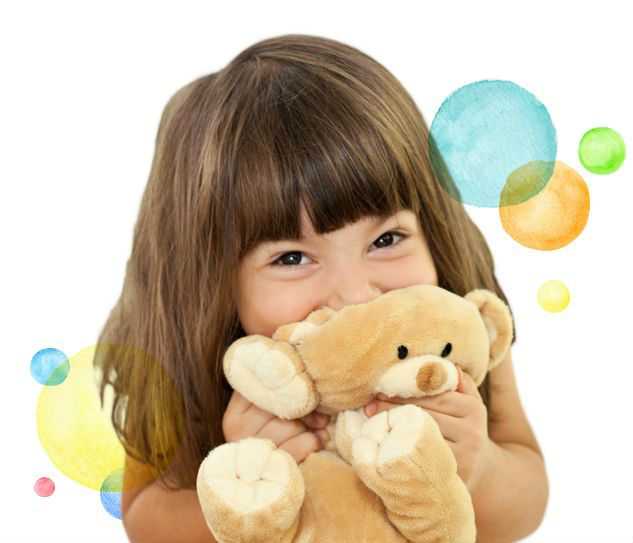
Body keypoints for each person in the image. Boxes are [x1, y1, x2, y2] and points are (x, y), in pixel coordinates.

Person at [94, 33, 549, 543]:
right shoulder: (176, 360)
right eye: (292, 257)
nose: (356, 295)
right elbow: (144, 517)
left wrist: (478, 465)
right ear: (212, 281)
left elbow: (527, 499)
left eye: (387, 238)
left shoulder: (451, 339)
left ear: (432, 229)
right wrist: (240, 490)